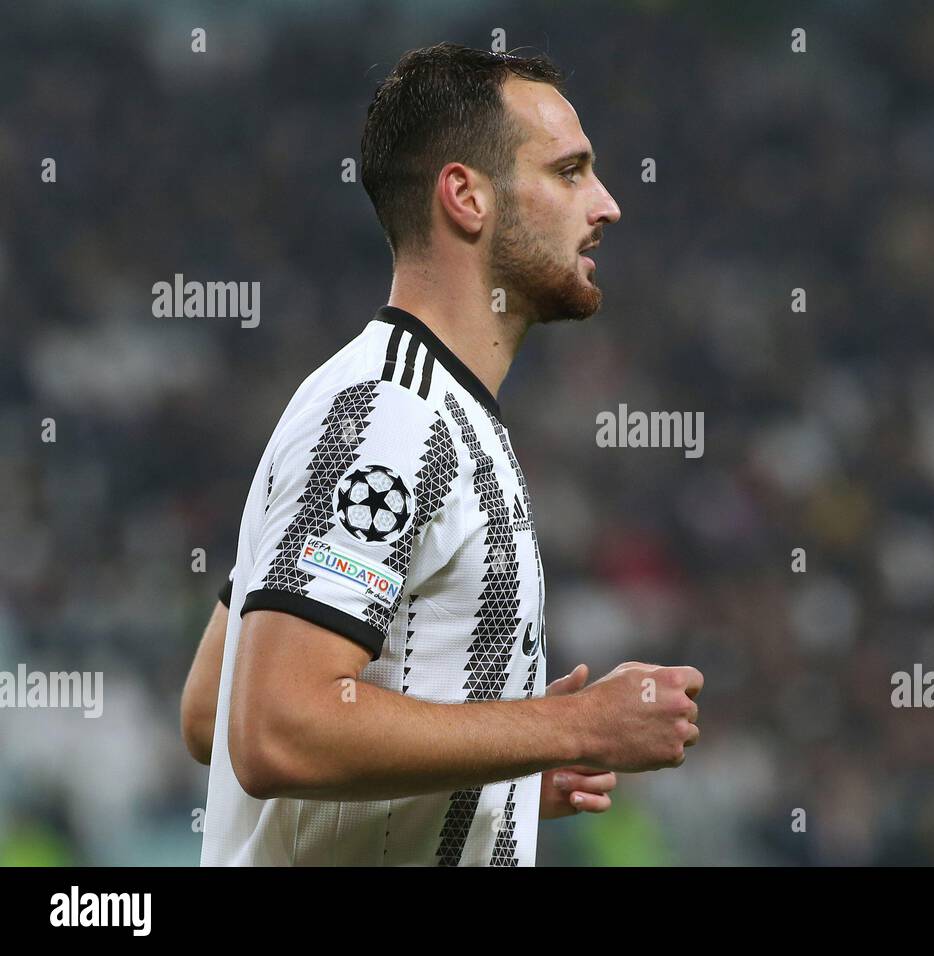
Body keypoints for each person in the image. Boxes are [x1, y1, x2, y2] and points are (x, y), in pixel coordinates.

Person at [180, 43, 702, 866]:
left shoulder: (417, 406)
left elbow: (213, 708)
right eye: (570, 172)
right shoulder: (390, 416)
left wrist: (498, 774)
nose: (607, 204)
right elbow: (272, 730)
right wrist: (572, 723)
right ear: (466, 196)